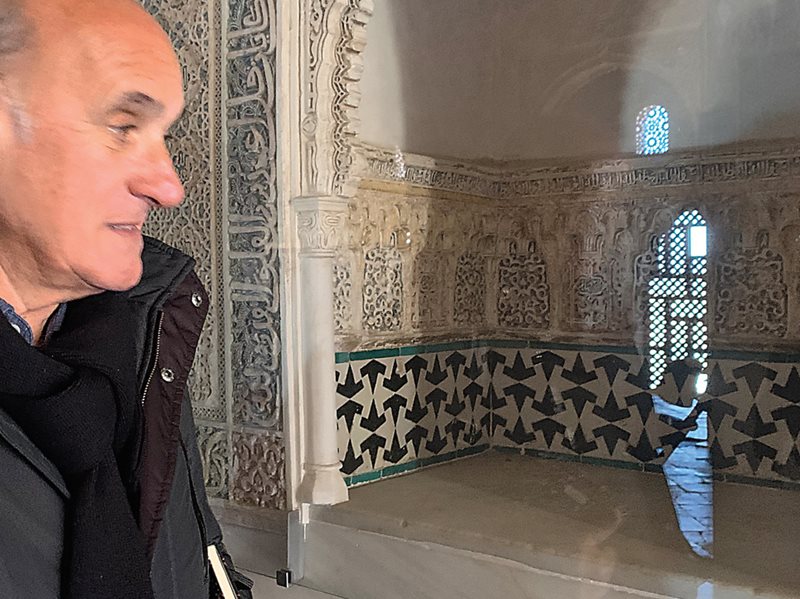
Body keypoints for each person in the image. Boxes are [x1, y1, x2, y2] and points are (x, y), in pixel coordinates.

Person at [0, 1, 251, 597]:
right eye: (121, 126)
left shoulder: (143, 338)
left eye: (163, 136)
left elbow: (201, 562)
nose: (169, 187)